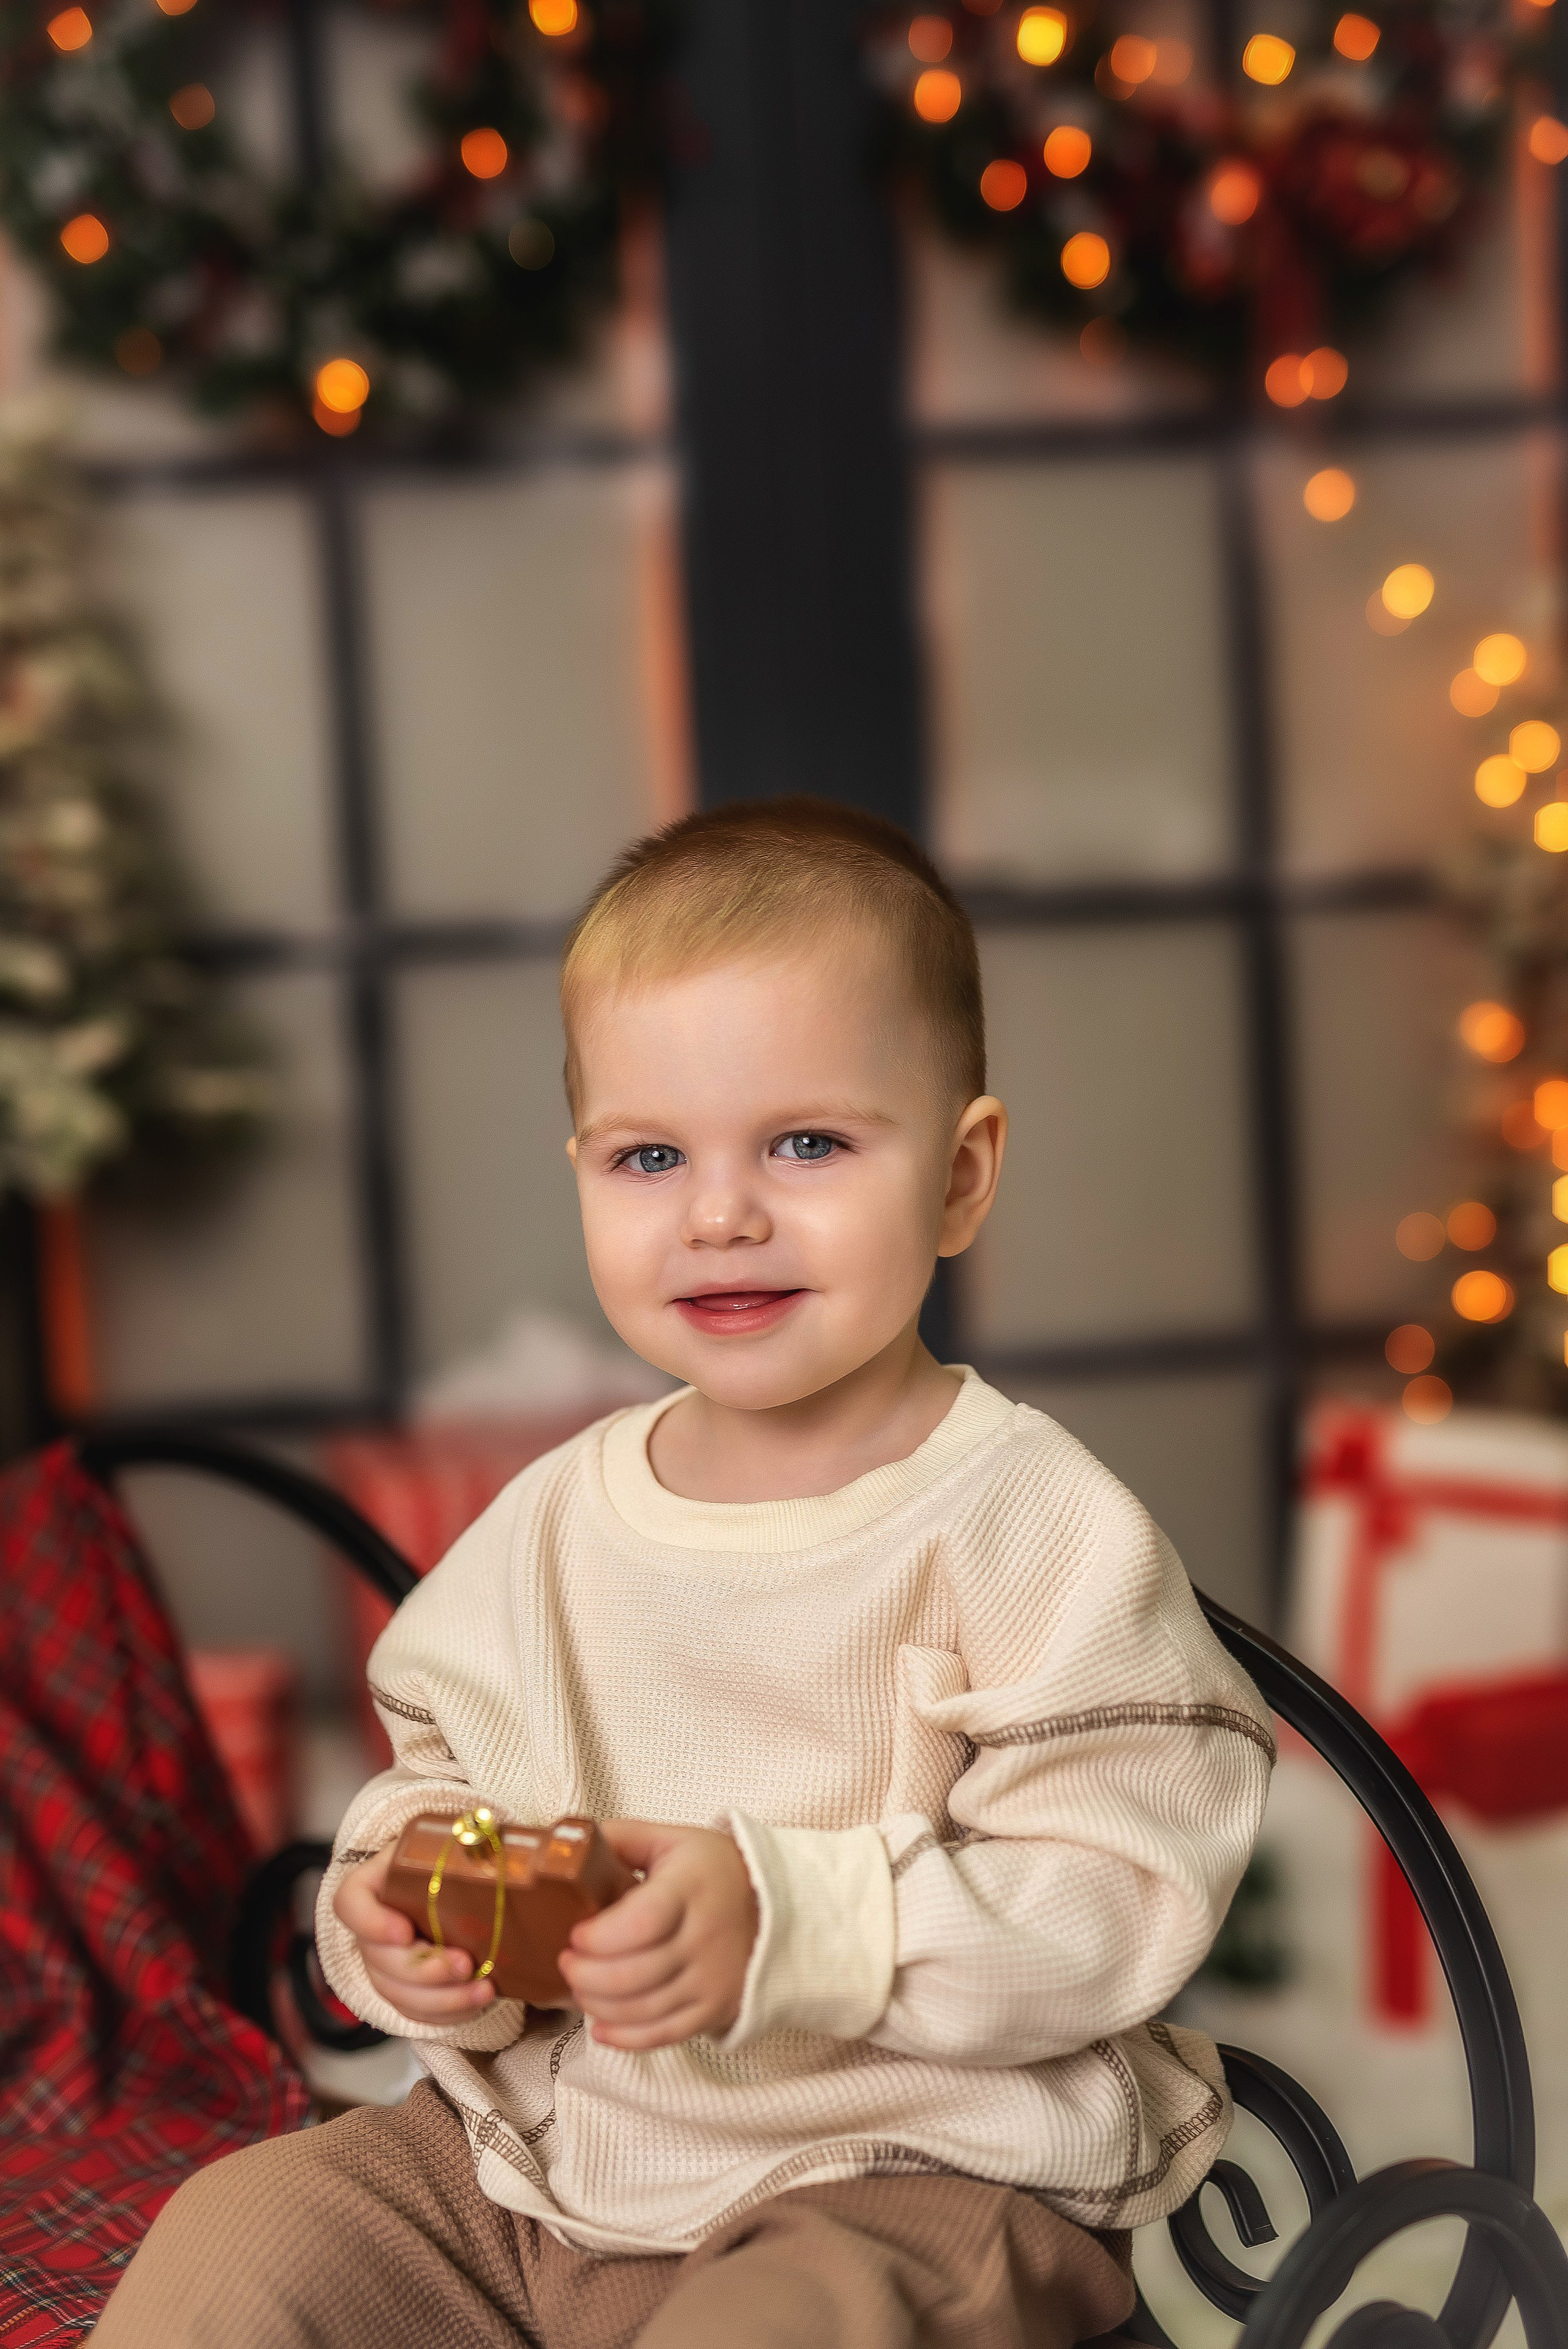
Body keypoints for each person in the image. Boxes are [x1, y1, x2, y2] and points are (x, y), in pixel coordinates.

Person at [95, 798, 1273, 2349]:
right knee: (246, 2233)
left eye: (806, 1141)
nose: (720, 1213)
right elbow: (437, 1776)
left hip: (908, 2176)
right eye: (650, 1154)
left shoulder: (1025, 1520)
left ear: (960, 1173)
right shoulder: (551, 1523)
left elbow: (1126, 1885)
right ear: (580, 1169)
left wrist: (796, 1923)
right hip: (548, 2164)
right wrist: (402, 1910)